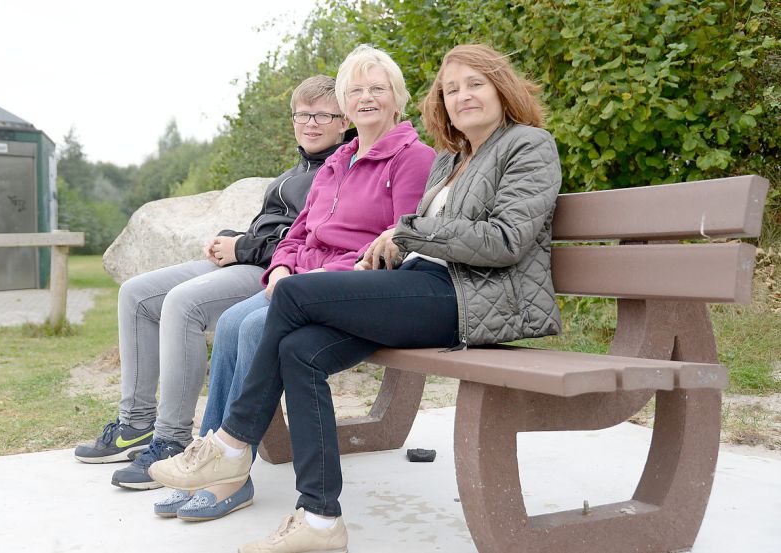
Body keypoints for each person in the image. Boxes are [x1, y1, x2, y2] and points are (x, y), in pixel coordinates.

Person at [149, 43, 564, 553]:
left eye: (475, 84)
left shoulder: (529, 145)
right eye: (452, 88)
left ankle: (232, 443)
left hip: (472, 299)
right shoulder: (453, 159)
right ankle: (320, 520)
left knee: (294, 295)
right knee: (298, 350)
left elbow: (505, 241)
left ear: (503, 89)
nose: (462, 96)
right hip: (422, 286)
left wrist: (409, 234)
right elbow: (418, 238)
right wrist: (389, 254)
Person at [154, 44, 436, 522]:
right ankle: (211, 456)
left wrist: (331, 276)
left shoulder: (411, 158)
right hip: (297, 283)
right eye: (356, 89)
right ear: (345, 102)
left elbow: (400, 245)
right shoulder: (336, 160)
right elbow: (299, 231)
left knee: (248, 330)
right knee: (229, 327)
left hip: (350, 289)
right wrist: (281, 267)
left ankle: (229, 475)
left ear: (396, 97)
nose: (366, 97)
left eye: (377, 88)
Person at [72, 75, 351, 491]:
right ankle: (135, 425)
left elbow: (309, 241)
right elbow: (275, 228)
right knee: (136, 294)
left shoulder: (339, 170)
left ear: (343, 120)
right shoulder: (298, 169)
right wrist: (234, 239)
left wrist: (243, 248)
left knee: (184, 303)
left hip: (276, 274)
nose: (310, 123)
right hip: (249, 259)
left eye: (322, 115)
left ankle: (171, 440)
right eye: (302, 114)